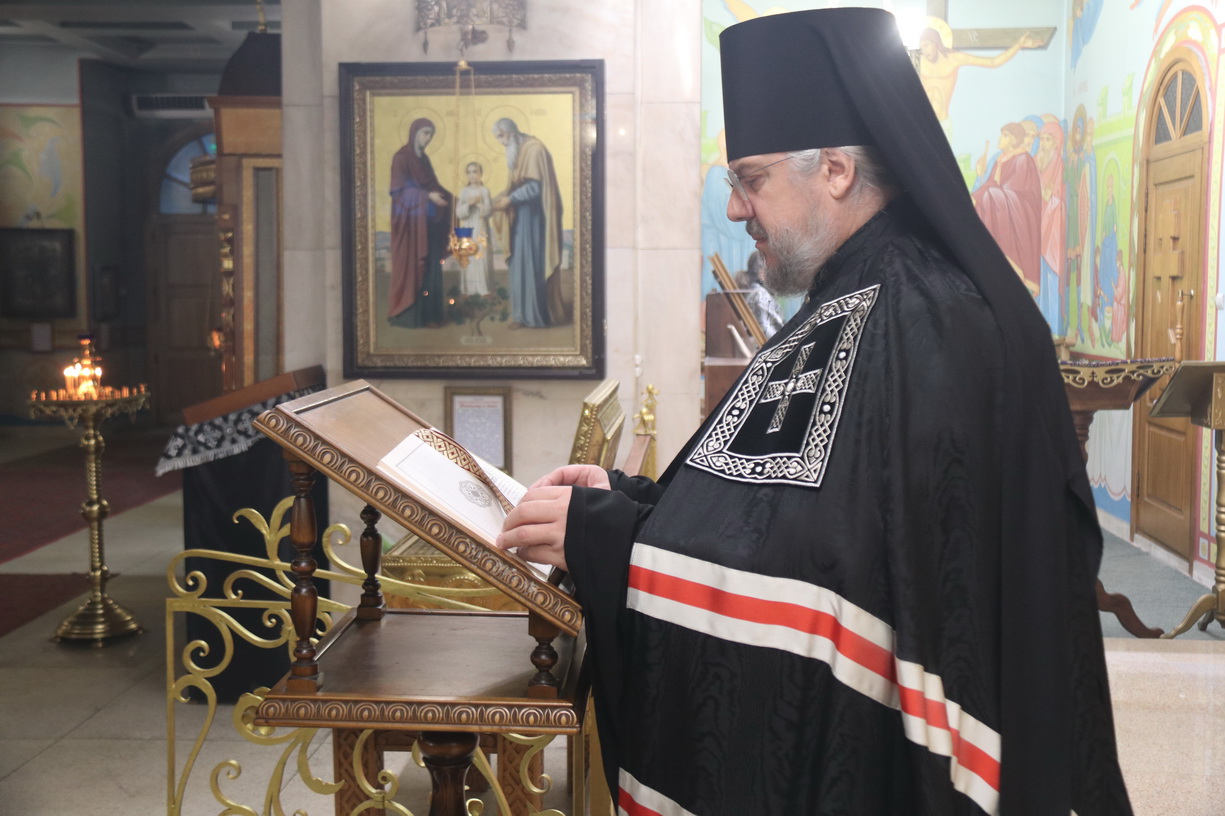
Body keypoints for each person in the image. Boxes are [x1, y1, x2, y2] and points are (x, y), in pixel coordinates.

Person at [497, 8, 1132, 816]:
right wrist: (634, 504)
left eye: (750, 180)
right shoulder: (866, 294)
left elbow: (823, 566)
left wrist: (605, 537)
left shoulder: (912, 317)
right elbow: (796, 510)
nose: (736, 209)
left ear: (833, 170)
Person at [491, 117, 565, 328]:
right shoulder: (517, 150)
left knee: (530, 266)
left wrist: (510, 199)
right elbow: (514, 187)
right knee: (518, 266)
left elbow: (535, 188)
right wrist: (499, 199)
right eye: (498, 138)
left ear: (511, 132)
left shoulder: (533, 149)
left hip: (533, 219)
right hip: (519, 218)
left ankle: (533, 316)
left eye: (501, 136)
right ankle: (519, 315)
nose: (501, 142)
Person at [387, 118, 452, 328]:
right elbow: (399, 193)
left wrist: (454, 200)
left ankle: (431, 316)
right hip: (410, 228)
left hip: (428, 226)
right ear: (415, 133)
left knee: (431, 268)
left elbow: (435, 187)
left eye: (431, 134)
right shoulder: (401, 158)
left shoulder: (424, 160)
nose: (428, 138)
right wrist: (427, 197)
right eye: (425, 133)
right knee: (412, 268)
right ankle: (408, 316)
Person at [972, 122, 1043, 296]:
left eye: (1005, 136)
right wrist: (976, 191)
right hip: (1004, 205)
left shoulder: (1023, 159)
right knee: (984, 197)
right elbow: (990, 184)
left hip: (1022, 210)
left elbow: (1014, 188)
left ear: (1013, 140)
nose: (1000, 138)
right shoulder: (1000, 160)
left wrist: (987, 193)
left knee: (990, 195)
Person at [456, 161, 494, 296]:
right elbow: (459, 213)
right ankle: (468, 289)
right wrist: (469, 204)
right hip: (468, 228)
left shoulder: (484, 191)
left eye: (475, 171)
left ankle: (483, 289)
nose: (472, 175)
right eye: (469, 172)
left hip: (481, 227)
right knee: (469, 256)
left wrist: (478, 205)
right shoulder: (464, 192)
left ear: (480, 174)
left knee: (481, 255)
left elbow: (489, 210)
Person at [734, 250, 783, 337]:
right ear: (762, 273)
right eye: (775, 271)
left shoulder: (751, 291)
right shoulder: (761, 296)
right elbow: (776, 336)